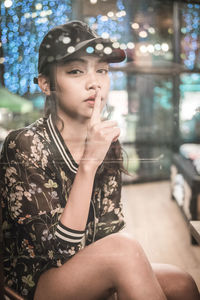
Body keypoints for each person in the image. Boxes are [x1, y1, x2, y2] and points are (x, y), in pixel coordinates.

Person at [0, 20, 199, 300]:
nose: (95, 83)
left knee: (182, 283)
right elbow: (55, 253)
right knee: (124, 250)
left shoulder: (105, 140)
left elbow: (108, 230)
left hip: (89, 267)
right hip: (36, 283)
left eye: (102, 70)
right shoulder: (23, 144)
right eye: (76, 71)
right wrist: (89, 164)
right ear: (46, 84)